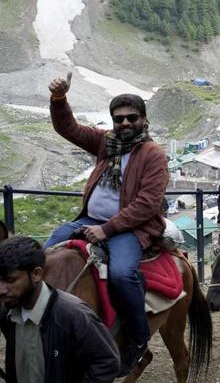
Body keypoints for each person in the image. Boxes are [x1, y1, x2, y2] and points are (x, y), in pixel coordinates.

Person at [45, 72, 168, 375]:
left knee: (123, 274)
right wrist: (59, 99)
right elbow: (68, 128)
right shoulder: (106, 142)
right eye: (119, 119)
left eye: (131, 118)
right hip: (90, 219)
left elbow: (147, 204)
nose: (125, 124)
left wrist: (106, 229)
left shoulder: (153, 154)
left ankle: (138, 339)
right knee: (45, 253)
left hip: (129, 228)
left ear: (144, 120)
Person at [0, 236, 120, 382]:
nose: (1, 290)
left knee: (124, 275)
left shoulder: (74, 314)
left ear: (36, 274)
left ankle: (138, 339)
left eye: (10, 280)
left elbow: (107, 361)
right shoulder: (7, 313)